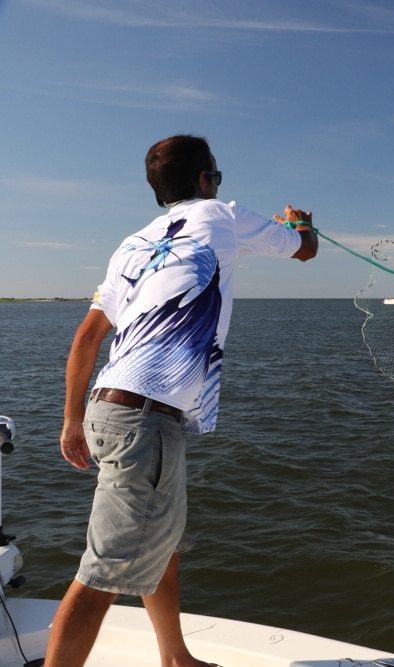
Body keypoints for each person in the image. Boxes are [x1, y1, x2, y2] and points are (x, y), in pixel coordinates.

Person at [47, 135, 319, 667]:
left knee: (162, 542)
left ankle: (176, 657)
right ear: (203, 181)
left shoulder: (131, 244)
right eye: (215, 176)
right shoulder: (224, 214)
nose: (217, 185)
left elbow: (86, 338)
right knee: (102, 574)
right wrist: (301, 222)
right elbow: (306, 249)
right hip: (144, 419)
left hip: (111, 409)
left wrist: (70, 421)